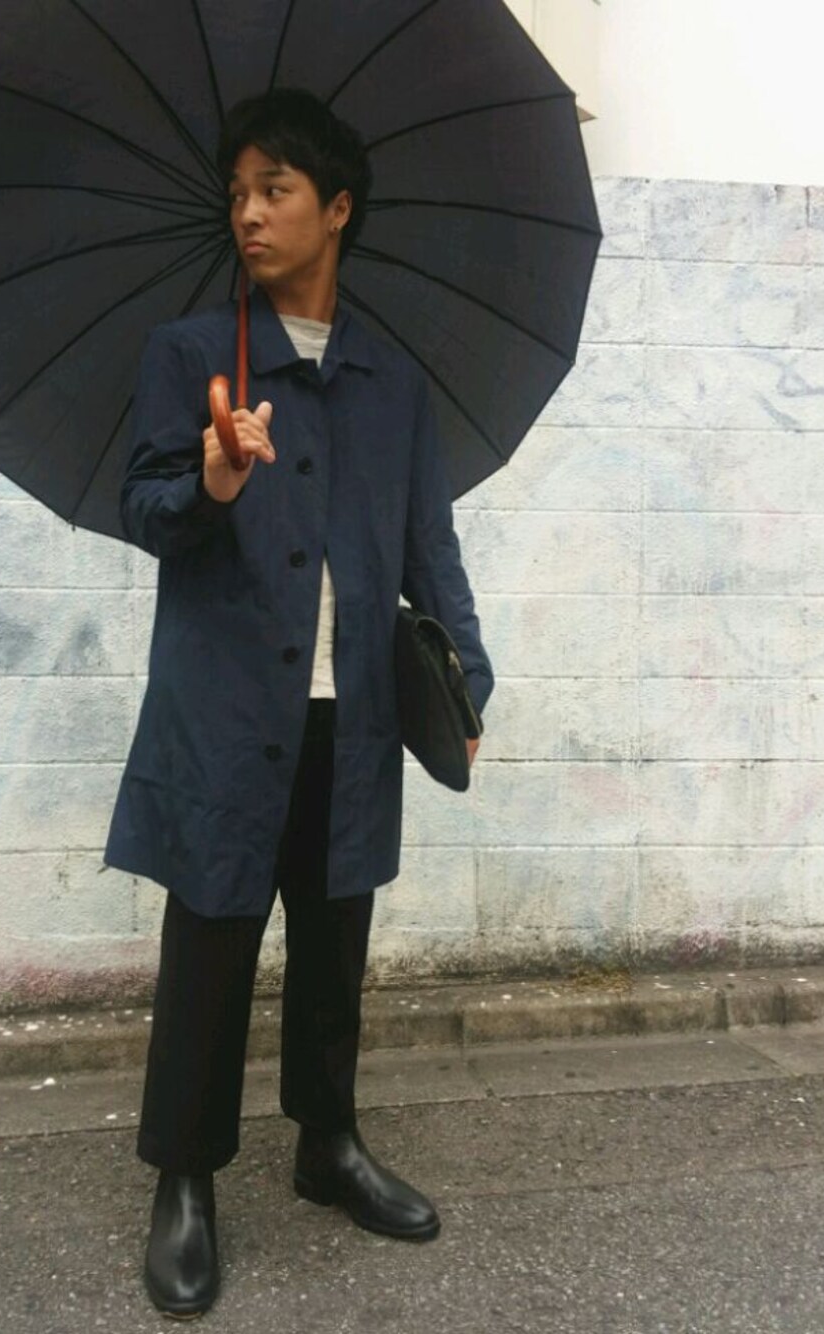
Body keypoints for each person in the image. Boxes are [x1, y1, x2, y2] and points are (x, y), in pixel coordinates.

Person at [103, 87, 494, 1319]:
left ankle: (327, 1143)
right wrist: (211, 479)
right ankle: (185, 1179)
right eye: (237, 193)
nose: (249, 212)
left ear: (337, 208)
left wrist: (466, 674)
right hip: (225, 711)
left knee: (334, 944)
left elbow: (428, 544)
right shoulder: (191, 357)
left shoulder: (391, 382)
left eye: (274, 189)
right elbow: (145, 508)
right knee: (210, 941)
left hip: (353, 710)